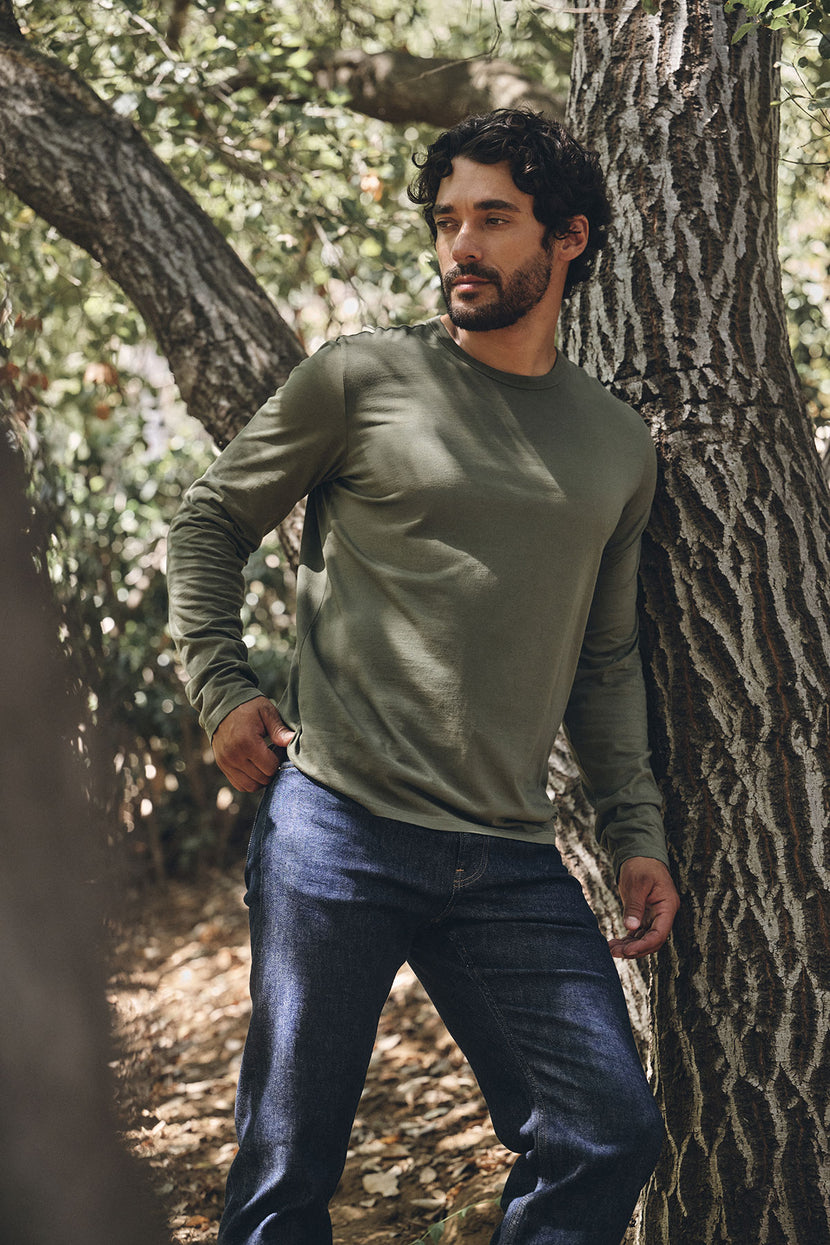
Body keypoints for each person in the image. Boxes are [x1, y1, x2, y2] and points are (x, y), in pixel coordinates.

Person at [167, 108, 680, 1245]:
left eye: (493, 219)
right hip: (335, 830)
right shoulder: (359, 377)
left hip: (505, 852)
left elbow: (603, 659)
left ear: (568, 240)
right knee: (285, 1176)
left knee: (605, 1129)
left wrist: (633, 832)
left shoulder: (613, 445)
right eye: (445, 220)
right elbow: (208, 523)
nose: (459, 246)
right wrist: (221, 684)